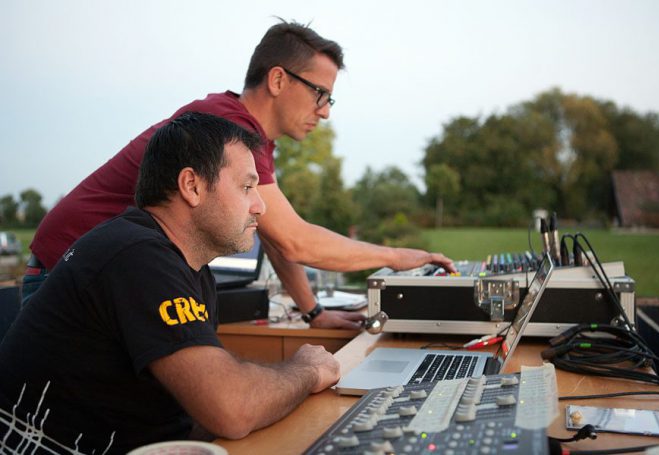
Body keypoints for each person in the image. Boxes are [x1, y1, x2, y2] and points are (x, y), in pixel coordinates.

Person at [24, 20, 455, 328]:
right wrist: (397, 256)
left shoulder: (250, 138)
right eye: (320, 94)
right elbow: (296, 240)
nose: (325, 111)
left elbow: (275, 236)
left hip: (102, 272)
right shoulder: (226, 126)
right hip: (68, 269)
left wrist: (314, 311)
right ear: (278, 80)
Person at [0, 112, 340, 454]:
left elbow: (205, 396)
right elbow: (231, 408)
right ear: (191, 186)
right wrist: (307, 371)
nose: (260, 206)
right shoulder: (136, 256)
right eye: (246, 187)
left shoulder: (188, 268)